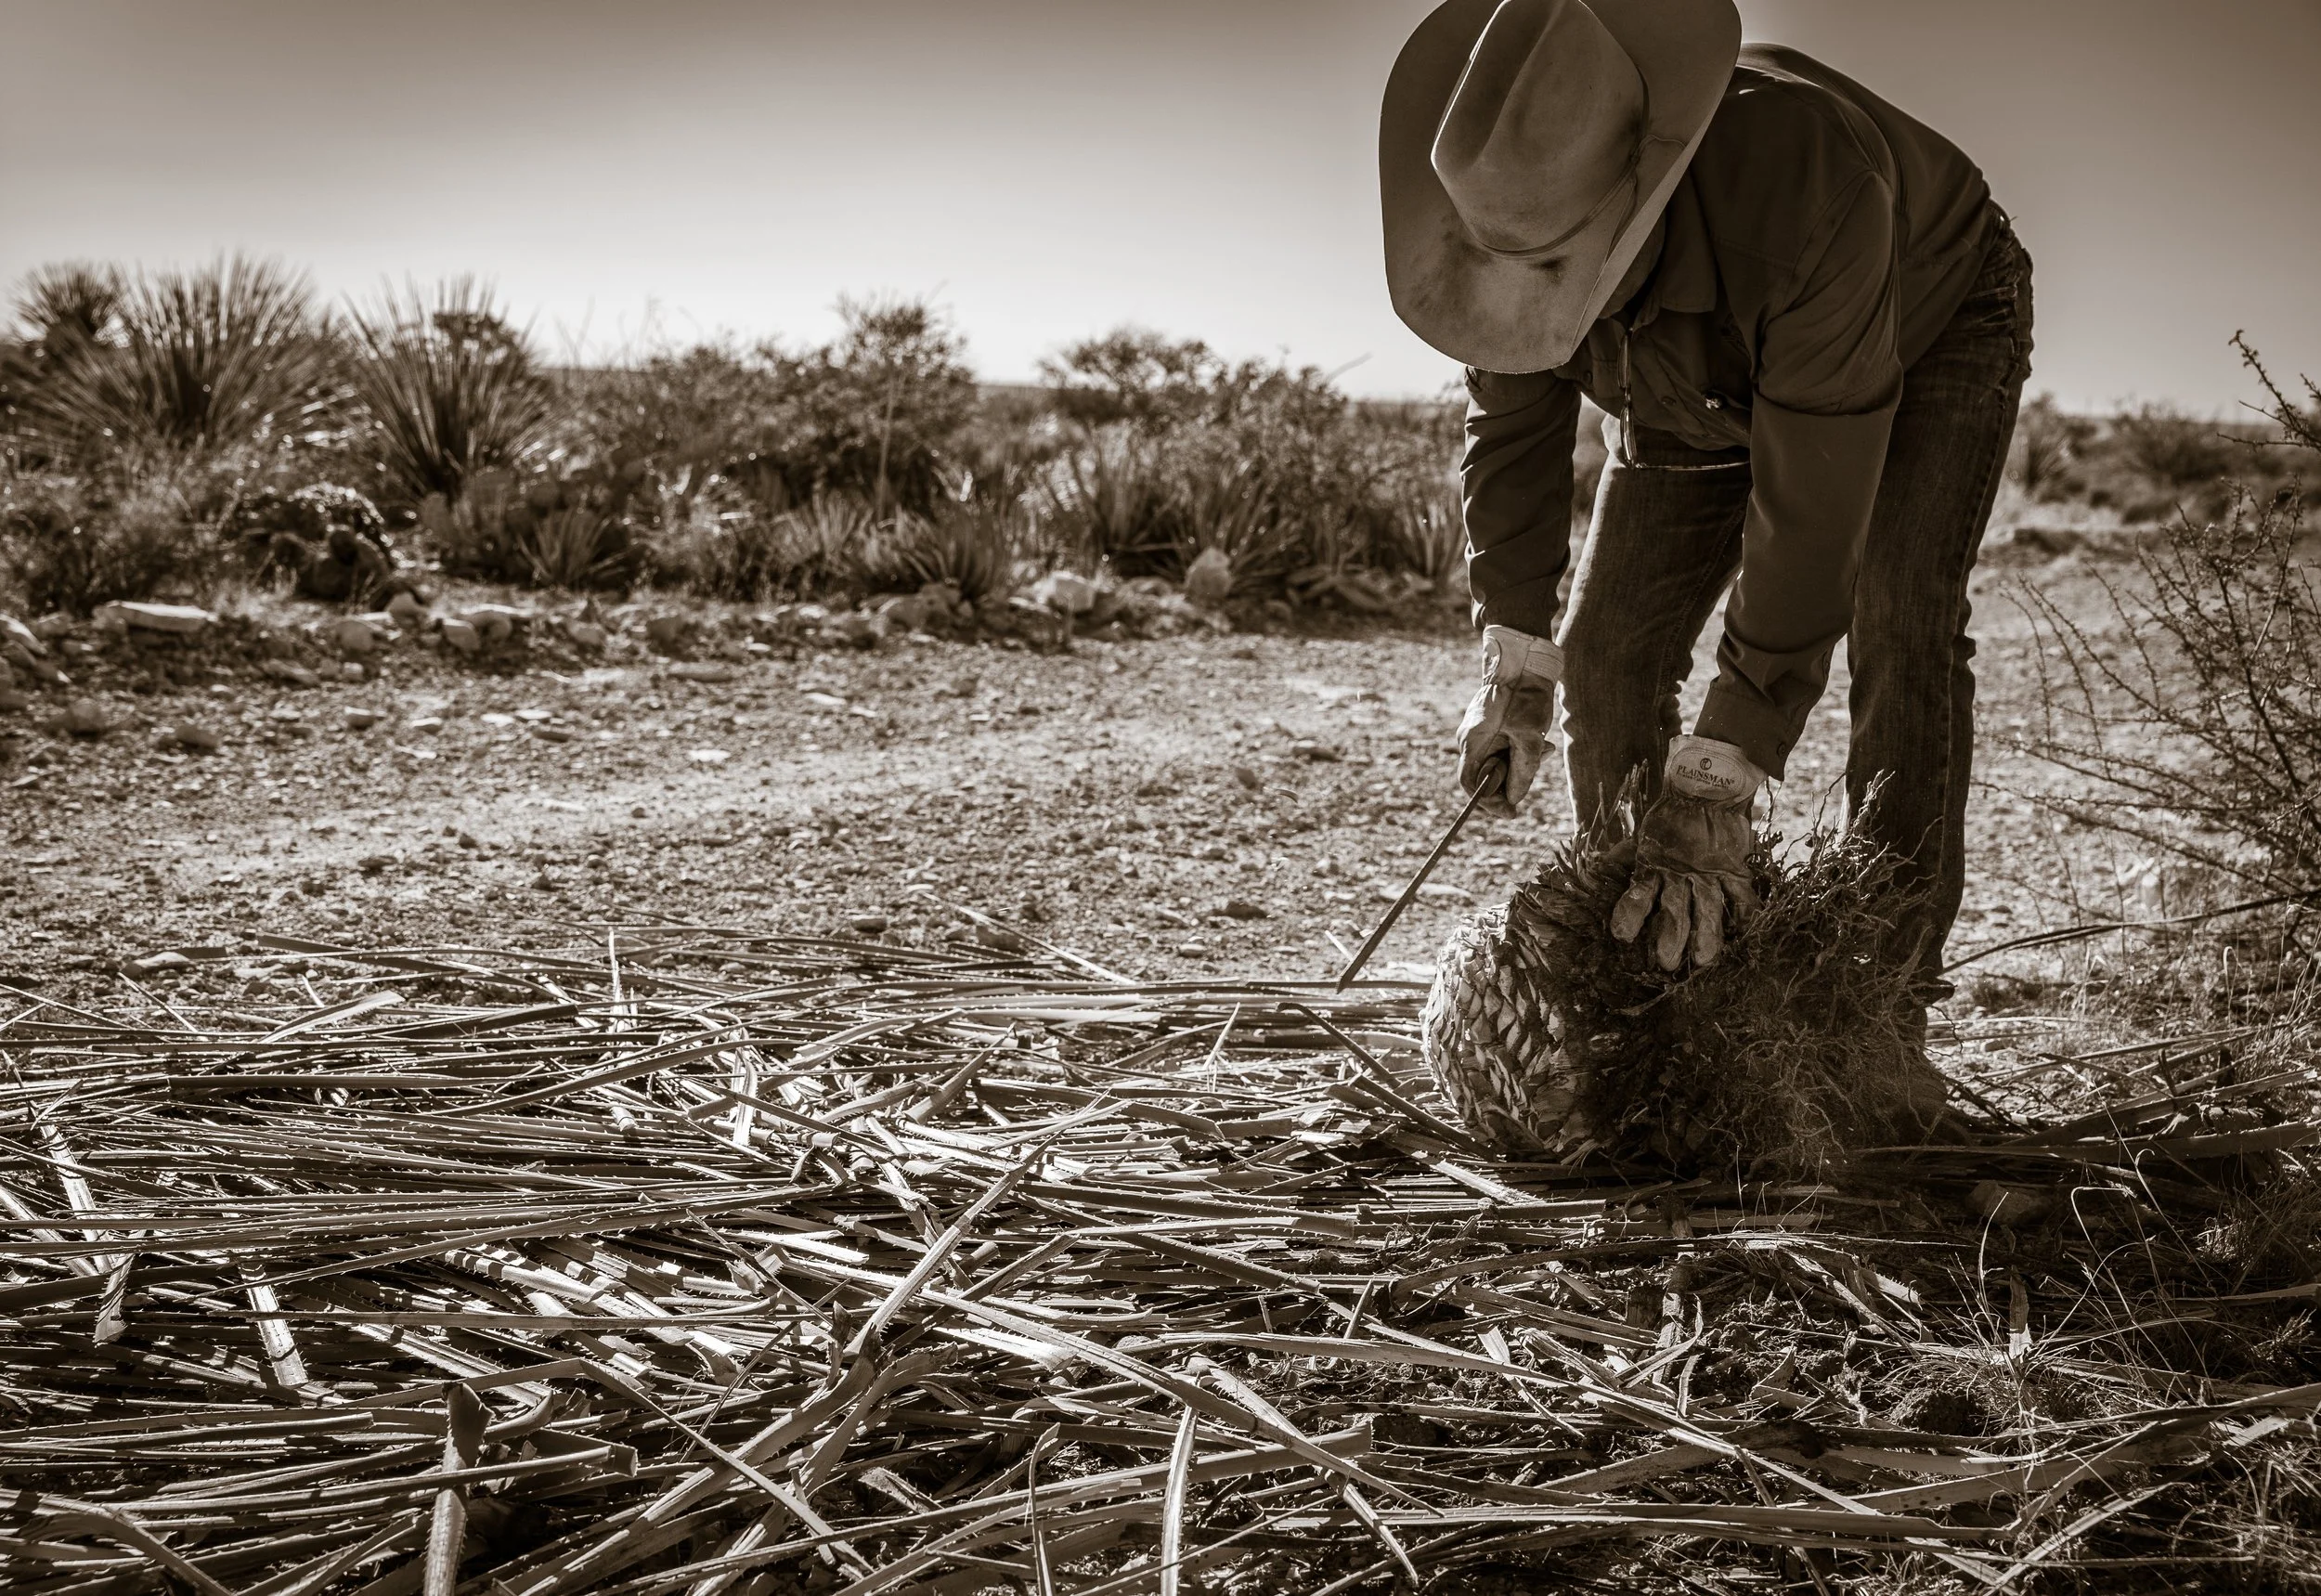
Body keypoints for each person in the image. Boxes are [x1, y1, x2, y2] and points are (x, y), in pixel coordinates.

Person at [1381, 0, 2032, 1008]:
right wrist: (1515, 669)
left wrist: (1717, 777)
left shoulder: (1808, 193)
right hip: (1686, 369)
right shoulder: (1502, 217)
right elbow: (1510, 439)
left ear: (1640, 197)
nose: (1532, 307)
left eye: (1562, 278)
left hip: (1922, 318)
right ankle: (1650, 973)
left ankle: (1879, 993)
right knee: (1604, 657)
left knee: (1898, 615)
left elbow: (1810, 515)